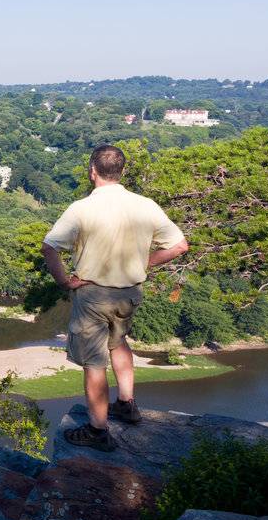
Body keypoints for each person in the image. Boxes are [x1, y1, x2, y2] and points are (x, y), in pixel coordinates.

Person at [41, 145, 189, 451]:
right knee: (118, 342)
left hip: (93, 294)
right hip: (130, 293)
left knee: (94, 362)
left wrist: (64, 281)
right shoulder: (146, 205)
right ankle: (126, 403)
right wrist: (144, 262)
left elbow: (49, 247)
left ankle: (97, 430)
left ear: (93, 170)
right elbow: (179, 247)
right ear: (120, 171)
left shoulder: (81, 208)